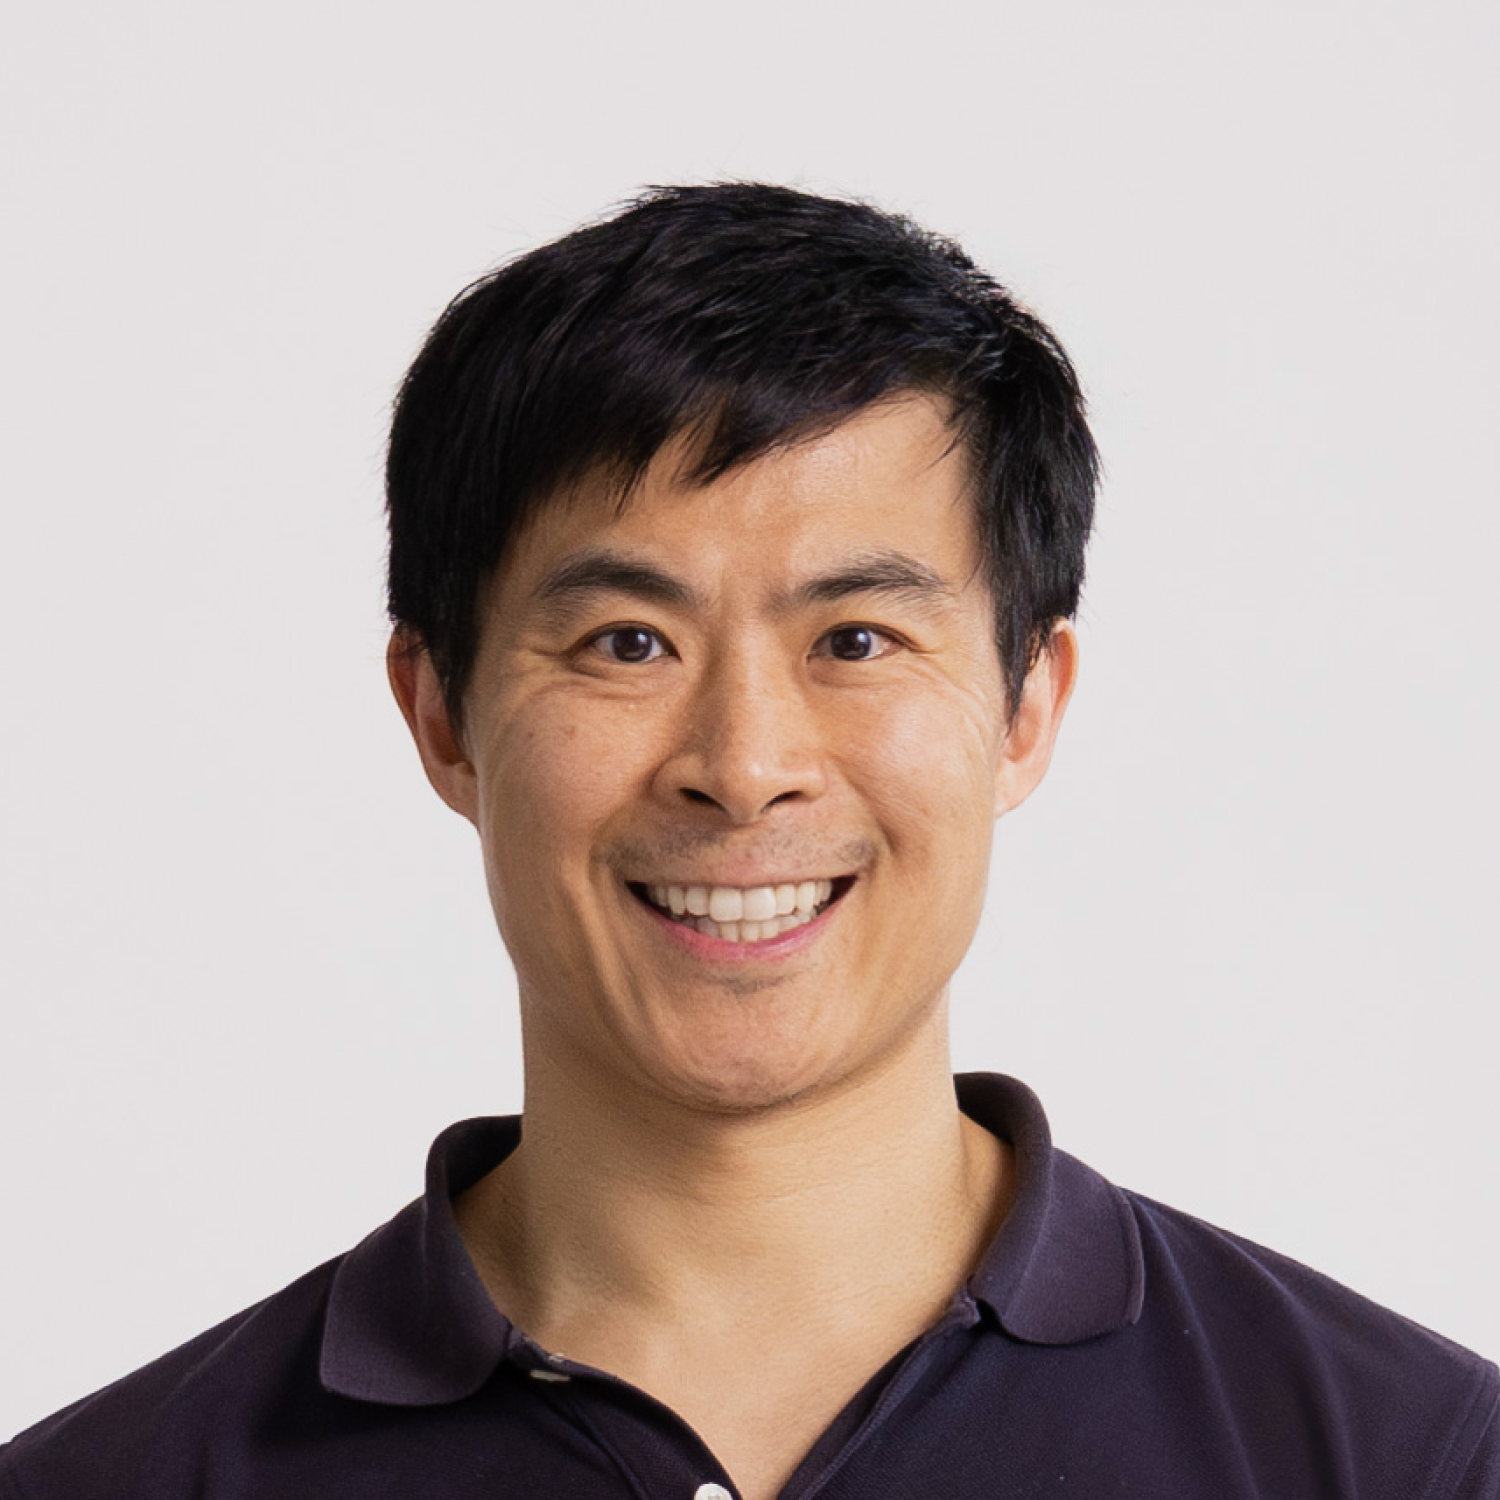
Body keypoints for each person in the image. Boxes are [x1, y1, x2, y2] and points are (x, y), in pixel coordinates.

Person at [2, 182, 1495, 1500]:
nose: (746, 766)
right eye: (627, 642)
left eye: (855, 637)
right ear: (440, 714)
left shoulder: (1401, 1456)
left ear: (1026, 706)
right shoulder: (114, 1480)